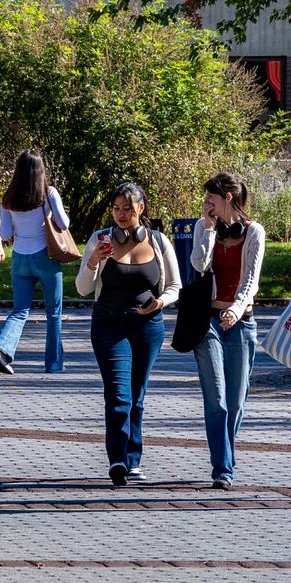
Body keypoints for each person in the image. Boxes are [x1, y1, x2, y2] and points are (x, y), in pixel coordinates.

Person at [75, 182, 182, 485]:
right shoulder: (100, 240)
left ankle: (134, 461)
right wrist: (94, 260)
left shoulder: (159, 242)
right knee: (119, 395)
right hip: (109, 324)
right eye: (116, 208)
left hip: (148, 326)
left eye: (127, 208)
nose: (121, 214)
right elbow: (82, 289)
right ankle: (118, 459)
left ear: (141, 209)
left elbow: (175, 286)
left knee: (137, 396)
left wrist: (160, 302)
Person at [190, 172, 268, 489]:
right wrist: (208, 229)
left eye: (212, 197)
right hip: (207, 320)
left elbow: (252, 278)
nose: (206, 202)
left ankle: (226, 456)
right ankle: (222, 468)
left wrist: (236, 309)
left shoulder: (254, 232)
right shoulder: (202, 226)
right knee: (217, 399)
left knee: (236, 402)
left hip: (242, 321)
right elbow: (198, 264)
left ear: (229, 199)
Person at [0, 150, 71, 375]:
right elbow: (63, 224)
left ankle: (2, 346)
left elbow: (5, 233)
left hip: (19, 259)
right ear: (40, 170)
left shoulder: (8, 198)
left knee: (20, 309)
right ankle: (54, 364)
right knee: (53, 311)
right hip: (45, 256)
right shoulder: (48, 193)